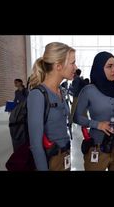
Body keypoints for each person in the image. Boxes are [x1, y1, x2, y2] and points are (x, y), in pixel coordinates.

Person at [73, 51, 114, 171]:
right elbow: (76, 117)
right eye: (109, 66)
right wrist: (97, 124)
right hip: (97, 148)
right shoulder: (88, 91)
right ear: (99, 68)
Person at [27, 42, 77, 171]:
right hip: (51, 160)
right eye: (72, 63)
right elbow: (36, 145)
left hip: (65, 155)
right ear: (58, 66)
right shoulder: (38, 95)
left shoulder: (61, 91)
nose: (75, 67)